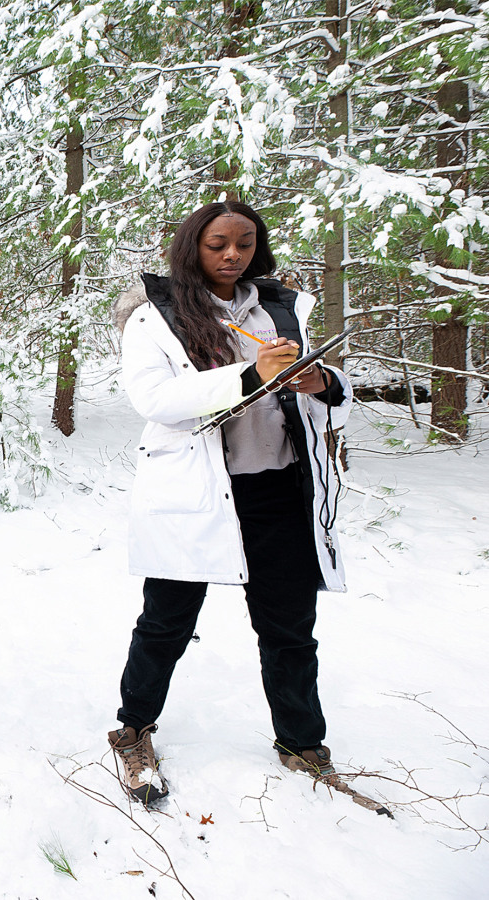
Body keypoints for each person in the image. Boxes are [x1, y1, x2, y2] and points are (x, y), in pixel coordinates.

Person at [107, 200, 354, 806]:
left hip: (277, 489)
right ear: (193, 244)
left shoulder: (279, 308)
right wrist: (250, 375)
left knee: (290, 627)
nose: (231, 254)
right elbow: (155, 399)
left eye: (244, 243)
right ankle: (133, 730)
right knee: (166, 622)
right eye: (218, 243)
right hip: (193, 493)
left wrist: (318, 383)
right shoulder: (155, 317)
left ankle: (302, 744)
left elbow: (330, 401)